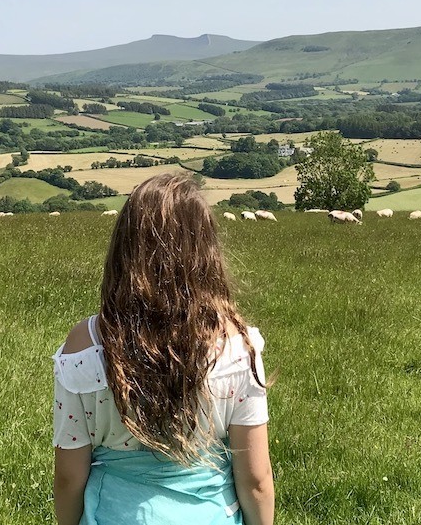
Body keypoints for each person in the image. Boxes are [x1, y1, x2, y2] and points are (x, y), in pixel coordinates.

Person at [52, 172, 274, 525]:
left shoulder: (84, 346)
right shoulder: (236, 346)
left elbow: (68, 477)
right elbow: (257, 480)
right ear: (206, 252)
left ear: (124, 249)